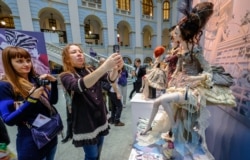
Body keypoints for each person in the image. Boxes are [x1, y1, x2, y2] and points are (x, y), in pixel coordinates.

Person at [140, 2, 235, 158]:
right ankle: (152, 128)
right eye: (174, 34)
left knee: (163, 102)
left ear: (183, 34)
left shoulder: (194, 49)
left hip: (191, 91)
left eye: (176, 34)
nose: (174, 36)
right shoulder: (182, 49)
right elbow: (178, 68)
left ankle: (174, 127)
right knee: (166, 107)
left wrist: (195, 79)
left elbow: (208, 70)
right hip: (179, 87)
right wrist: (173, 80)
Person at [59, 44, 123, 160]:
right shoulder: (66, 76)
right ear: (66, 58)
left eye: (80, 51)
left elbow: (110, 79)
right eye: (73, 52)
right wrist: (104, 67)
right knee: (91, 155)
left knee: (98, 150)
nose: (79, 53)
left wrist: (115, 69)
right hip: (85, 123)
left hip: (99, 118)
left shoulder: (90, 69)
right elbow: (79, 86)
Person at [0, 46, 58, 160]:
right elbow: (9, 120)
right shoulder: (5, 86)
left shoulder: (34, 79)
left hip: (50, 136)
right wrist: (31, 99)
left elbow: (52, 101)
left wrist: (54, 83)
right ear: (9, 63)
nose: (26, 64)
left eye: (27, 60)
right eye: (19, 61)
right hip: (31, 142)